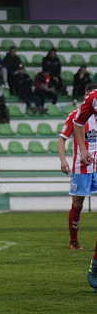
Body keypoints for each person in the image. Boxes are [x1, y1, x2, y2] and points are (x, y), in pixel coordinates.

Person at [60, 84, 97, 251]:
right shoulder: (75, 115)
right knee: (77, 204)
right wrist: (63, 160)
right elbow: (62, 139)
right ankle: (74, 241)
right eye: (87, 95)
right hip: (80, 166)